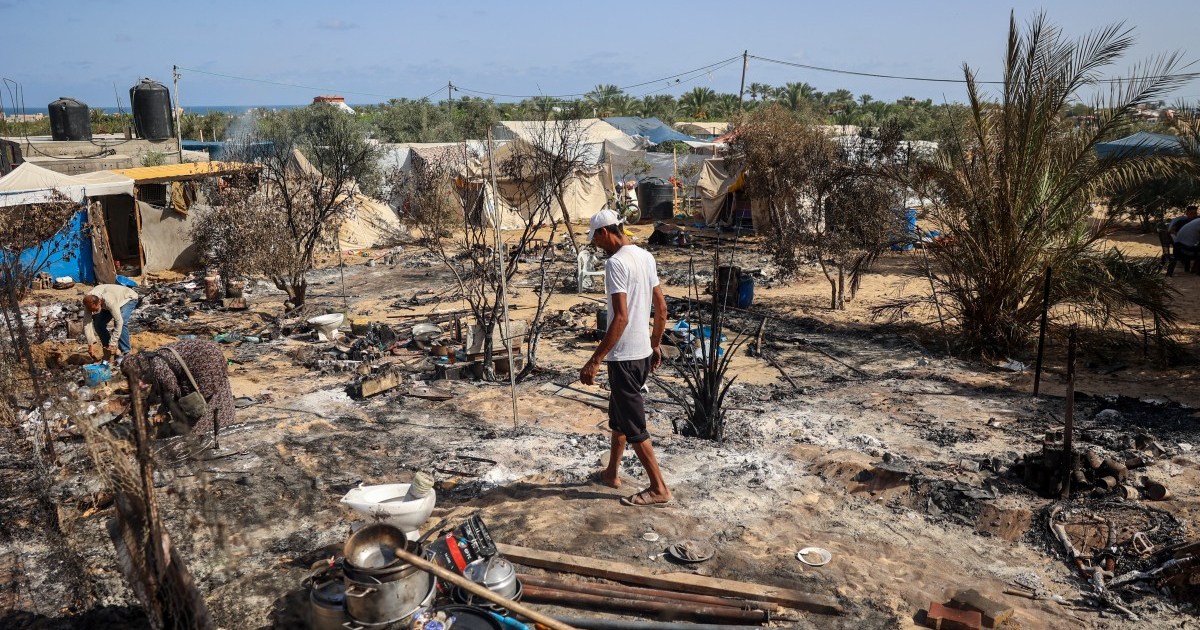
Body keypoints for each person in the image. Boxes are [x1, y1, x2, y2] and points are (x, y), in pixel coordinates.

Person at [580, 209, 671, 507]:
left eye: (595, 237)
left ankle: (659, 488)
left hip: (625, 358)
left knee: (634, 426)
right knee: (618, 417)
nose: (594, 244)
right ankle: (611, 473)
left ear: (605, 232)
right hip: (642, 352)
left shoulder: (616, 264)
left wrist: (595, 360)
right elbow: (661, 307)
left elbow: (620, 318)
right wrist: (655, 344)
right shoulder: (645, 257)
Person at [128, 339, 234, 444]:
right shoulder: (152, 358)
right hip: (211, 354)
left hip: (206, 365)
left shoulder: (157, 367)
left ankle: (209, 436)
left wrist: (162, 411)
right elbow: (161, 385)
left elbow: (172, 391)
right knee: (219, 391)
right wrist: (149, 401)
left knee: (200, 404)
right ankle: (224, 425)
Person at [82, 284, 139, 358]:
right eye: (92, 310)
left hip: (127, 298)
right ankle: (108, 350)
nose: (93, 312)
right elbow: (86, 323)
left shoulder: (109, 301)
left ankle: (126, 352)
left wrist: (113, 342)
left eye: (95, 309)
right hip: (108, 301)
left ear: (99, 302)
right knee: (98, 324)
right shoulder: (88, 302)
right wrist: (90, 343)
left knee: (122, 321)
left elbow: (119, 322)